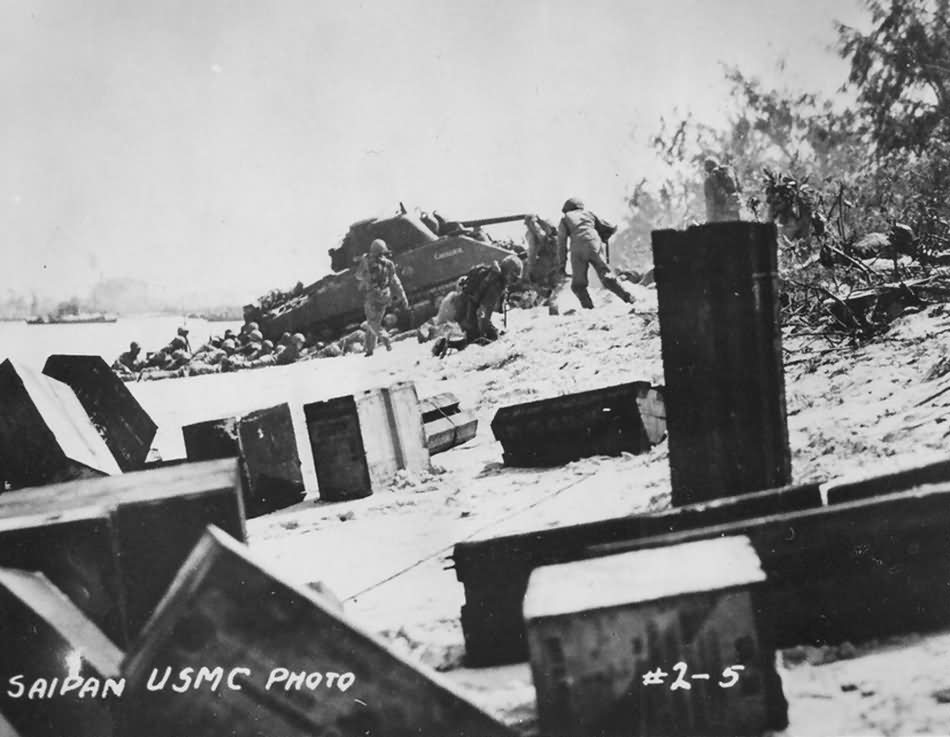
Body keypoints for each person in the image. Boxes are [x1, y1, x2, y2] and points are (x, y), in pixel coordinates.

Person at [431, 254, 524, 357]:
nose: (513, 282)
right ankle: (446, 344)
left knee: (473, 339)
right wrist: (490, 331)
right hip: (467, 313)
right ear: (507, 273)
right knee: (483, 339)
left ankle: (445, 344)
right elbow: (482, 313)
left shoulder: (491, 276)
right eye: (513, 278)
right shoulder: (495, 286)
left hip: (463, 308)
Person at [556, 198, 633, 309]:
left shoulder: (565, 218)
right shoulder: (589, 214)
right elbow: (610, 227)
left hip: (577, 249)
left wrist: (561, 266)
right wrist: (605, 236)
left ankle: (589, 308)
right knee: (607, 277)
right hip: (594, 244)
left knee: (578, 285)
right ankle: (629, 298)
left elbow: (561, 244)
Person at [354, 239, 409, 357]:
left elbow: (358, 276)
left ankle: (385, 337)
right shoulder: (389, 263)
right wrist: (403, 296)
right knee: (375, 321)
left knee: (371, 322)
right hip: (385, 296)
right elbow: (395, 281)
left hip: (373, 296)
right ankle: (369, 349)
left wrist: (364, 267)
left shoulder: (367, 262)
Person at [703, 157, 742, 222]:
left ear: (706, 169)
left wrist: (710, 221)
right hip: (734, 217)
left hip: (720, 219)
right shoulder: (728, 177)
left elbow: (710, 203)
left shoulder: (709, 181)